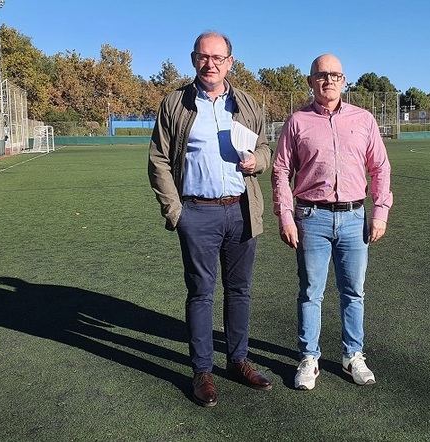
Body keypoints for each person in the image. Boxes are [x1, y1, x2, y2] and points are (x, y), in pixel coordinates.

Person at [148, 31, 272, 407]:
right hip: (197, 212)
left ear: (230, 62)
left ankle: (237, 360)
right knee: (201, 293)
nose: (210, 64)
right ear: (193, 59)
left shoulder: (248, 103)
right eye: (204, 57)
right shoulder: (175, 103)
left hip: (241, 210)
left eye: (218, 58)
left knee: (240, 291)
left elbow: (266, 148)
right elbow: (158, 160)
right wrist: (176, 211)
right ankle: (202, 370)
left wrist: (258, 161)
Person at [271, 54, 392, 390]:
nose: (328, 80)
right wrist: (285, 215)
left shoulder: (363, 119)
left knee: (354, 292)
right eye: (321, 75)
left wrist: (380, 212)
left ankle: (353, 355)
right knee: (311, 292)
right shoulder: (297, 121)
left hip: (355, 218)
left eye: (335, 75)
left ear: (344, 81)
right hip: (311, 217)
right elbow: (281, 170)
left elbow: (380, 168)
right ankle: (309, 357)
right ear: (311, 81)